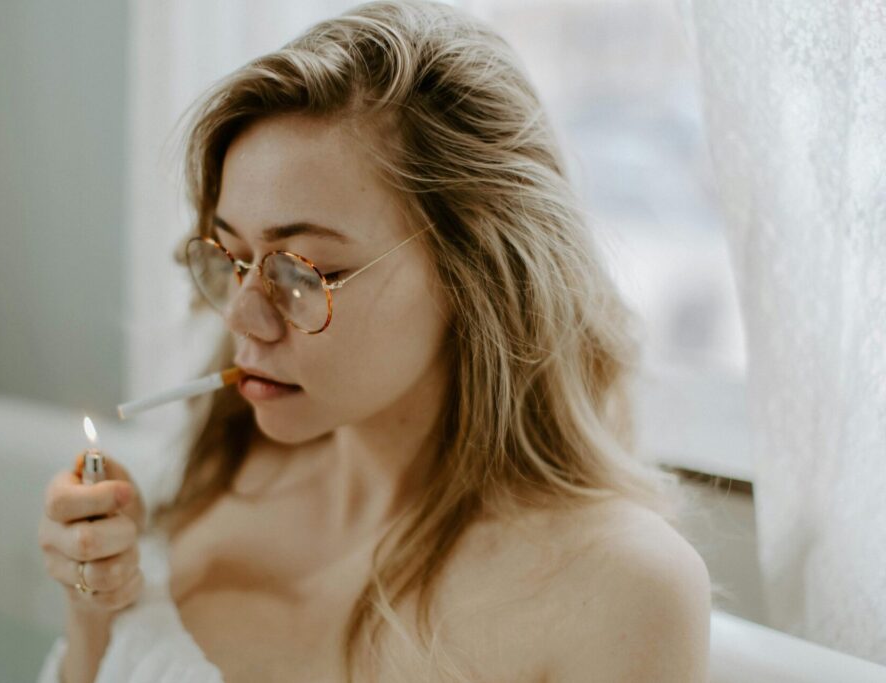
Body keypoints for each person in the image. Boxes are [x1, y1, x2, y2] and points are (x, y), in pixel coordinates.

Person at [36, 1, 712, 681]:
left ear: (475, 273)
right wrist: (97, 605)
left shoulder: (619, 592)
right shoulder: (228, 460)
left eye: (305, 271)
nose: (242, 318)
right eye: (233, 257)